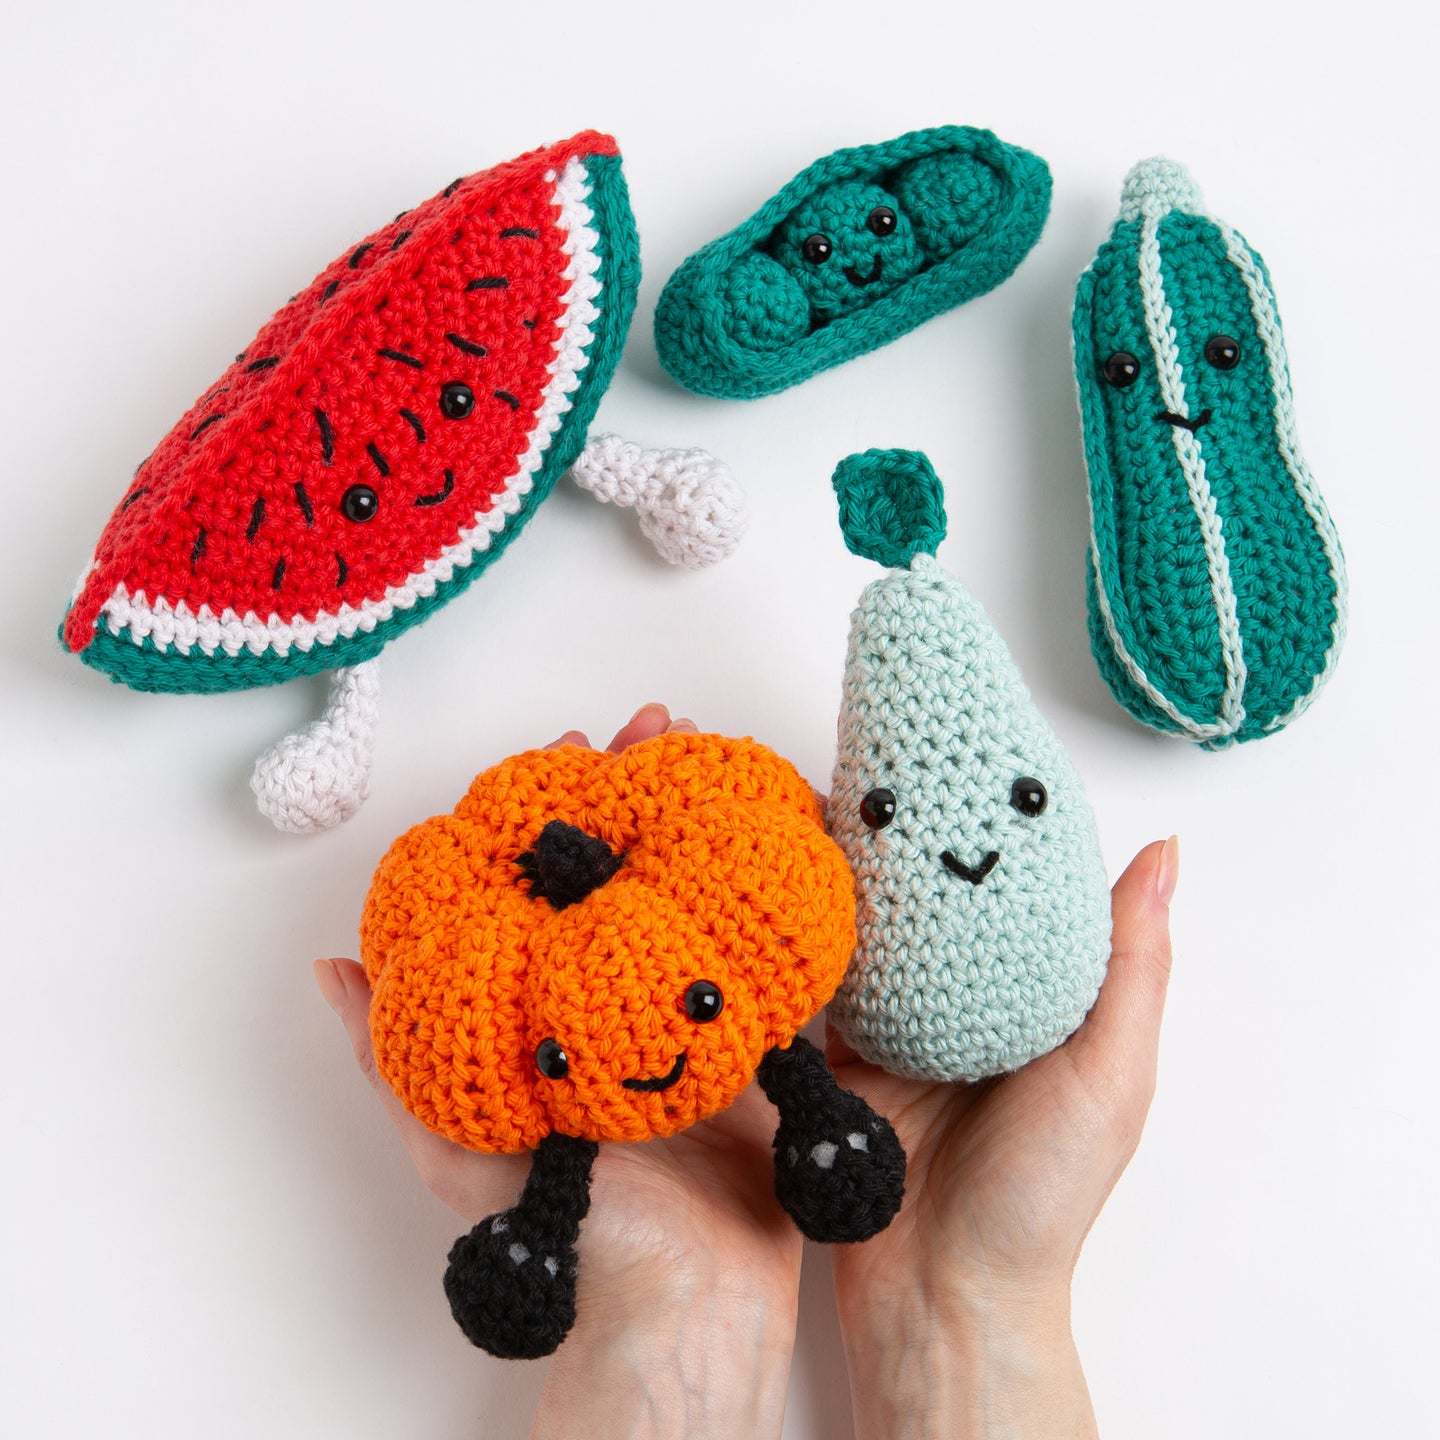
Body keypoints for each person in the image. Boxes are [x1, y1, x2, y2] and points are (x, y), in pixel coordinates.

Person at [315, 704, 1177, 1439]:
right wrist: (965, 1302)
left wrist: (965, 1283)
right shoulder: (482, 945)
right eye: (555, 1058)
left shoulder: (722, 879)